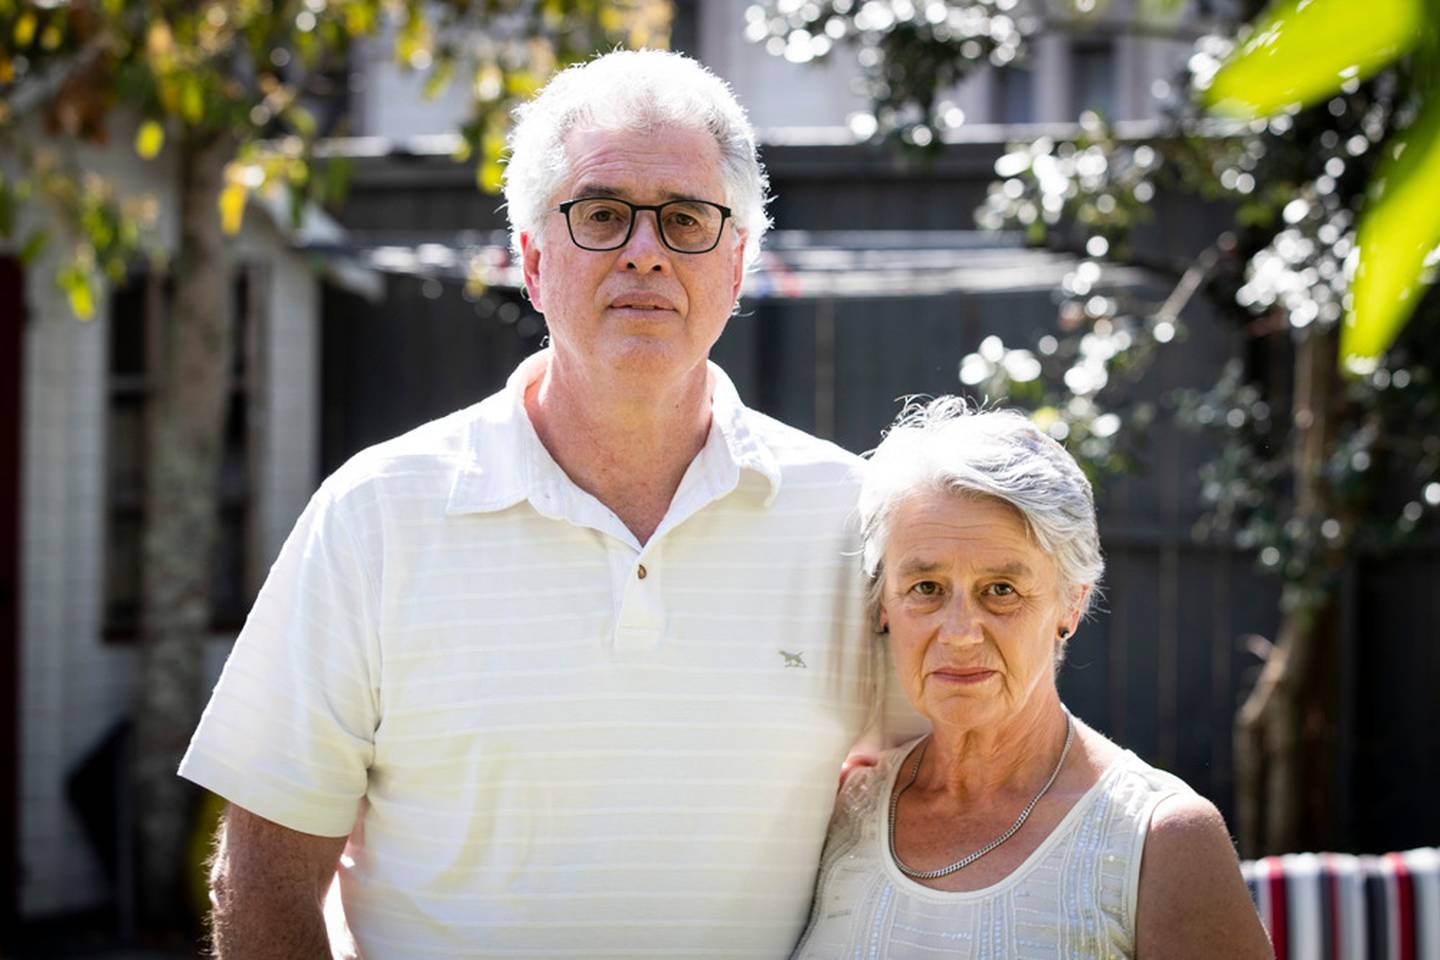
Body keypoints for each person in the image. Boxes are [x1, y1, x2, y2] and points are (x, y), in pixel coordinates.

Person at [180, 51, 914, 958]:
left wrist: (1150, 837)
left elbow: (973, 784)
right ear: (531, 262)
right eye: (602, 214)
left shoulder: (852, 518)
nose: (645, 250)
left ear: (735, 269)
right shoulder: (377, 514)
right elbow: (262, 880)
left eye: (686, 220)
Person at [792, 398, 1273, 959]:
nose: (960, 633)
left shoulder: (1160, 840)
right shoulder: (844, 810)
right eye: (926, 589)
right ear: (882, 605)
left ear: (1071, 604)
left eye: (1001, 590)